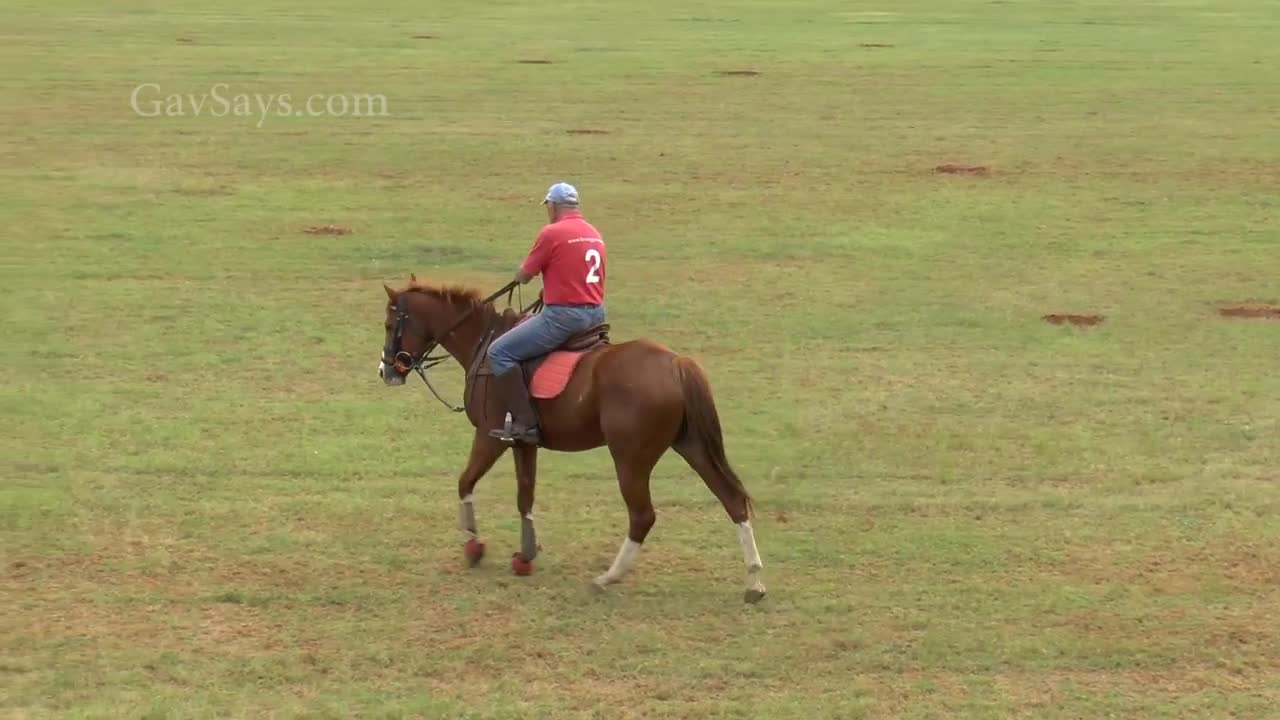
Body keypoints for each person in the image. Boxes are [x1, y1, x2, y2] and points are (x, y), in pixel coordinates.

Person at [486, 182, 607, 445]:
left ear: (552, 206)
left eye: (548, 207)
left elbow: (525, 276)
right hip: (596, 316)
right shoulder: (593, 232)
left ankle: (527, 425)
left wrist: (519, 277)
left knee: (499, 353)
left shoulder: (552, 233)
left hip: (564, 318)